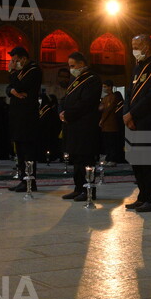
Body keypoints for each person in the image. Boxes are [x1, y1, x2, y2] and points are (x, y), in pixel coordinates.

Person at [121, 35, 151, 212]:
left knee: (148, 162)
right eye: (132, 45)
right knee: (137, 162)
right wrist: (126, 113)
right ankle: (142, 196)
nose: (134, 49)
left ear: (147, 47)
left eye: (137, 46)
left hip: (148, 122)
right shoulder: (136, 69)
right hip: (133, 122)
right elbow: (129, 94)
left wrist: (132, 114)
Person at [60, 52, 103, 201]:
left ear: (81, 64)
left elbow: (85, 103)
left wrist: (68, 114)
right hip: (73, 126)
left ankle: (88, 189)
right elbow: (65, 99)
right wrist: (62, 112)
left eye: (73, 66)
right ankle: (78, 188)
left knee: (86, 159)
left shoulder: (92, 79)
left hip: (86, 126)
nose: (71, 69)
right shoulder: (76, 80)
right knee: (76, 159)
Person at [6, 46, 42, 193]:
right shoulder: (21, 72)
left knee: (28, 151)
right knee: (20, 150)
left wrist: (12, 73)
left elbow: (20, 86)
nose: (13, 63)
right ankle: (22, 180)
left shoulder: (34, 70)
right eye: (12, 61)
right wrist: (13, 91)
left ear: (24, 59)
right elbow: (10, 88)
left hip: (27, 117)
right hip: (18, 116)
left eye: (15, 60)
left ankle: (29, 181)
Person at [98, 79, 120, 166]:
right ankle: (107, 158)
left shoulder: (113, 97)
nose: (104, 88)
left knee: (112, 143)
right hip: (105, 125)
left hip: (111, 123)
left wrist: (102, 120)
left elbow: (108, 110)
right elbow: (101, 108)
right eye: (103, 87)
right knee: (106, 143)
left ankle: (113, 159)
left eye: (105, 87)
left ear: (110, 87)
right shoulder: (105, 98)